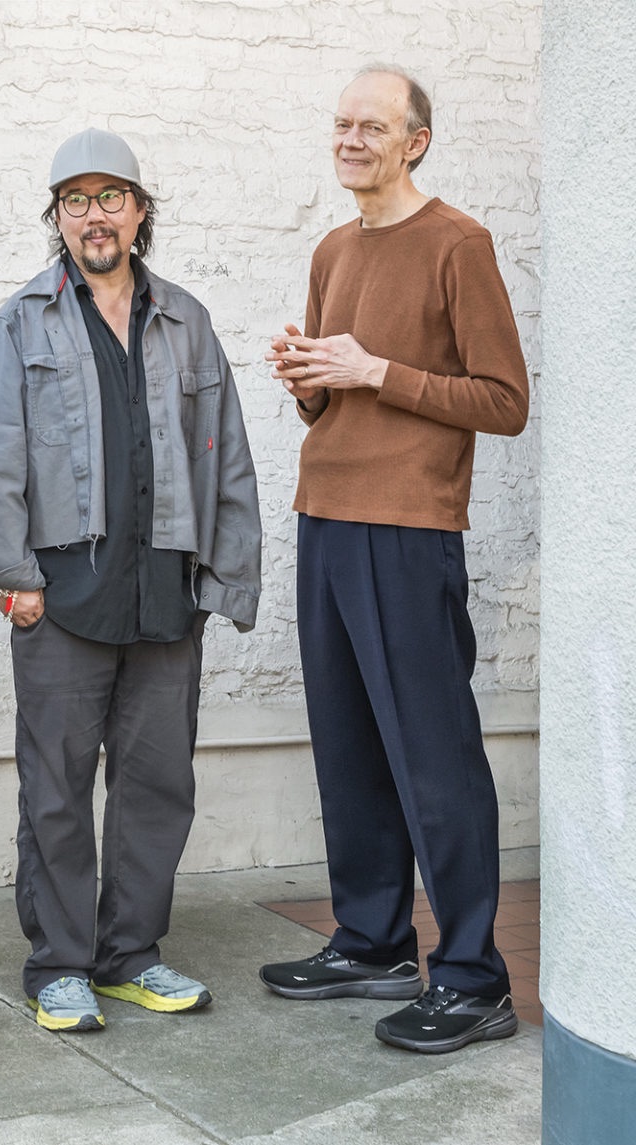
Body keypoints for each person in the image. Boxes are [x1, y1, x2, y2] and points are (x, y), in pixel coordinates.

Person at [258, 66, 530, 1054]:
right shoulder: (334, 248)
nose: (350, 139)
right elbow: (331, 405)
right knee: (349, 745)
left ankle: (474, 979)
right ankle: (372, 942)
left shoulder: (459, 243)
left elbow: (505, 400)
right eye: (341, 124)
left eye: (371, 126)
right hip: (324, 515)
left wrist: (374, 369)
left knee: (433, 753)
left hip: (410, 528)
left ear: (416, 140)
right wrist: (311, 379)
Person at [0, 129, 261, 1034]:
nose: (93, 216)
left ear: (139, 211)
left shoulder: (187, 319)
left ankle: (130, 953)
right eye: (75, 201)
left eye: (110, 198)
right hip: (62, 593)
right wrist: (12, 575)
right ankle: (59, 964)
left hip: (167, 591)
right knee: (56, 788)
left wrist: (224, 577)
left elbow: (228, 453)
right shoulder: (23, 320)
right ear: (58, 218)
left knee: (158, 783)